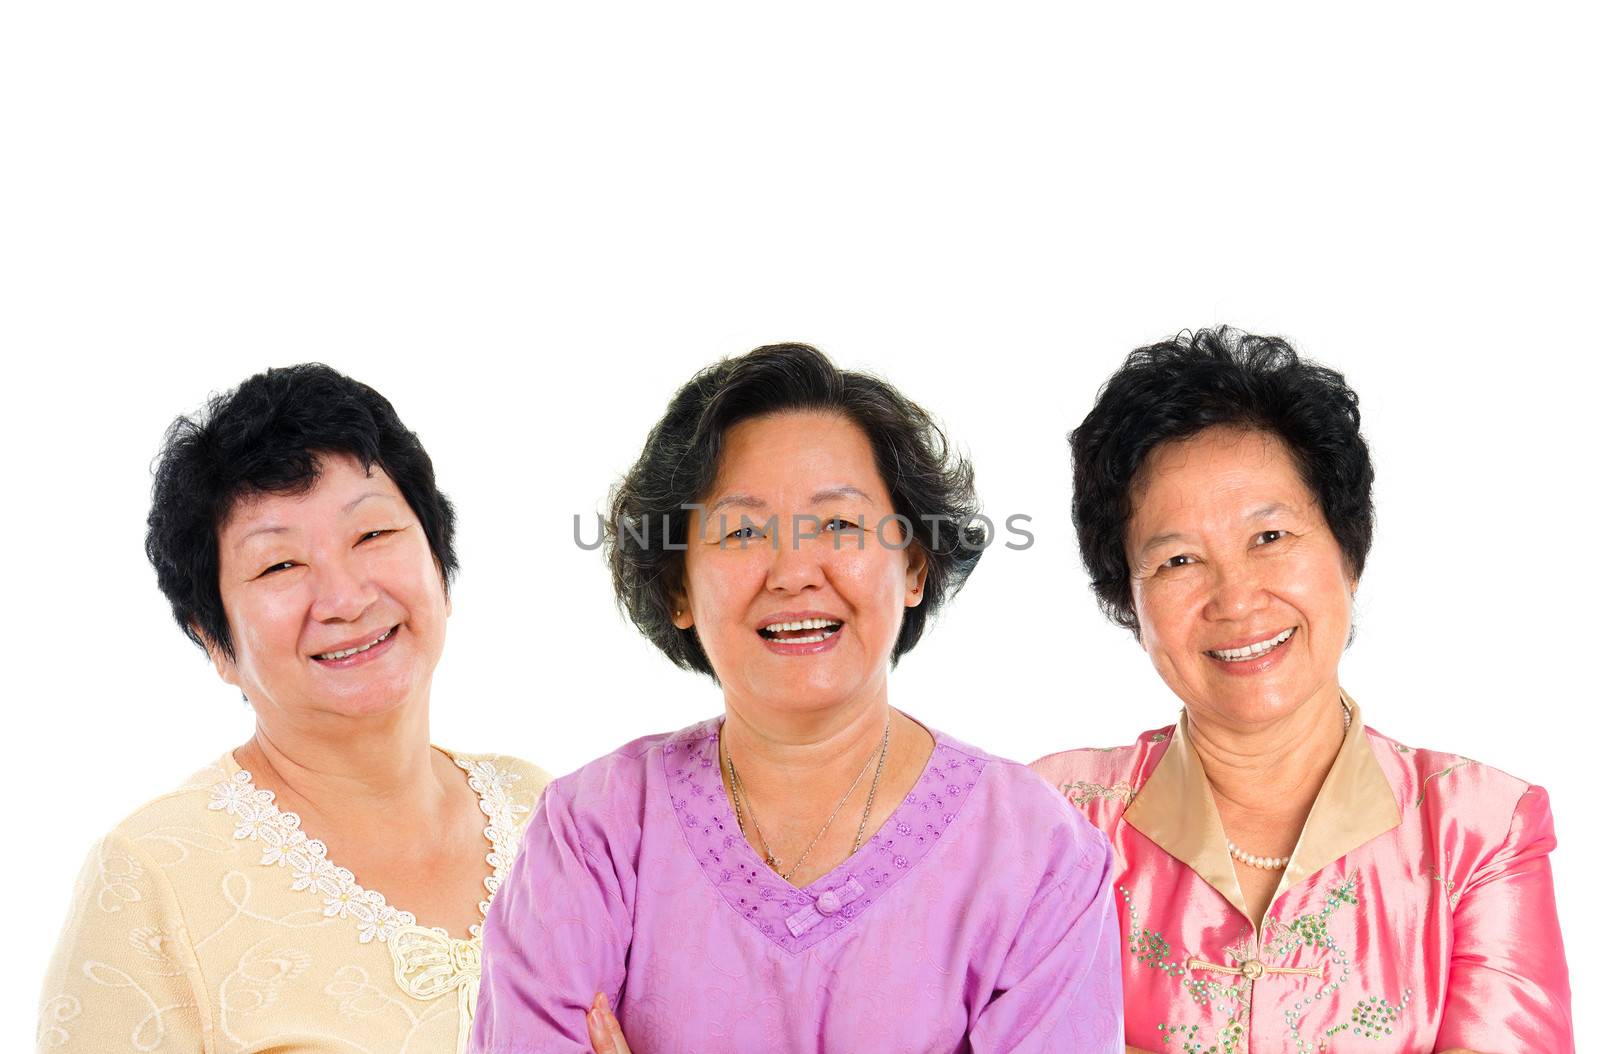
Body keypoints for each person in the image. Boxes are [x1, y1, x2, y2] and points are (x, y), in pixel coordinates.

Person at [471, 343, 1123, 1053]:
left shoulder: (1039, 857)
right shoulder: (591, 834)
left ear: (914, 565)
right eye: (743, 529)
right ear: (678, 588)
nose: (793, 571)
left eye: (839, 525)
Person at [1031, 328, 1573, 1053]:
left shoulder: (1477, 829)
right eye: (1180, 559)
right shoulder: (1055, 825)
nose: (1236, 599)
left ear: (1348, 552)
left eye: (1271, 538)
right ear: (1129, 604)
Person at [38, 364, 550, 1053]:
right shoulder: (151, 878)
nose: (345, 598)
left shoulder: (545, 813)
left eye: (371, 536)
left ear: (440, 564)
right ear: (213, 639)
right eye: (279, 566)